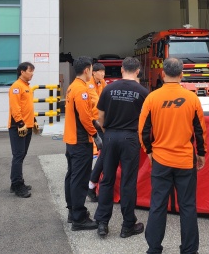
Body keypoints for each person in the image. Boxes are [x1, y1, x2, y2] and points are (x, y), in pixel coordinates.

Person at [139, 58, 207, 254]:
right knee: (187, 206)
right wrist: (201, 153)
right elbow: (200, 130)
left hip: (161, 160)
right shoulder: (191, 98)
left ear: (162, 74)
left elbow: (143, 130)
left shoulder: (152, 98)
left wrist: (149, 151)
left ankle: (154, 249)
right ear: (181, 75)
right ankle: (189, 250)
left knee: (158, 205)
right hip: (185, 160)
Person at [94, 57, 149, 238]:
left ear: (122, 69)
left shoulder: (108, 88)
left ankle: (102, 223)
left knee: (107, 179)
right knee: (128, 182)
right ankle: (127, 225)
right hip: (130, 138)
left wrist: (107, 132)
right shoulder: (143, 92)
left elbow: (100, 117)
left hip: (110, 136)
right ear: (138, 71)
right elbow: (147, 120)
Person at [64, 56, 104, 230]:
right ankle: (79, 218)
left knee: (72, 176)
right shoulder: (81, 89)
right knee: (80, 179)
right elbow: (85, 117)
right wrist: (95, 135)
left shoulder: (73, 86)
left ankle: (73, 211)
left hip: (72, 139)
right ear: (87, 70)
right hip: (80, 140)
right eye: (92, 69)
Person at [7, 61, 40, 198]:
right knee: (18, 155)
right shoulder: (16, 86)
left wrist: (34, 121)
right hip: (18, 127)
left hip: (28, 126)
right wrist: (20, 123)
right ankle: (17, 185)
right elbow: (15, 108)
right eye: (30, 71)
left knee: (21, 155)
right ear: (22, 72)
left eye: (33, 71)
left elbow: (27, 108)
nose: (32, 73)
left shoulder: (27, 86)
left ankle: (16, 182)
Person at [87, 63, 107, 202]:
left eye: (104, 72)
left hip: (101, 121)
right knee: (104, 153)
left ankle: (93, 182)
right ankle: (91, 184)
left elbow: (107, 95)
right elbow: (97, 102)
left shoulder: (102, 82)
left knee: (104, 153)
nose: (103, 74)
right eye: (100, 72)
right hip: (95, 122)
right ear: (93, 72)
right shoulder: (89, 85)